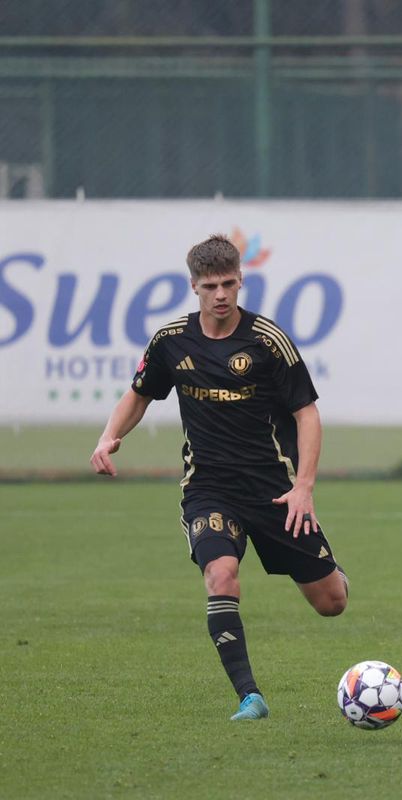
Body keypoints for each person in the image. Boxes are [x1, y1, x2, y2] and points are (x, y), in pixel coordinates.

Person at [90, 234, 347, 721]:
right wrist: (108, 437)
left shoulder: (267, 341)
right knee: (221, 573)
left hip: (274, 491)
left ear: (241, 280)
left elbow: (307, 413)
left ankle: (333, 572)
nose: (221, 295)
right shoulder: (171, 341)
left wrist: (304, 487)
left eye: (229, 284)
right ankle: (249, 696)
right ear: (194, 286)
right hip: (208, 489)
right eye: (210, 286)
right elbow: (139, 394)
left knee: (331, 603)